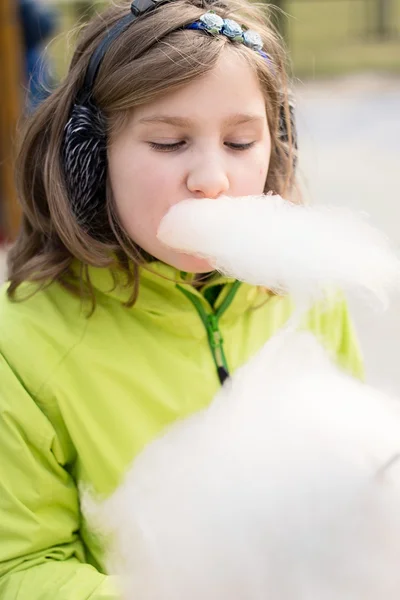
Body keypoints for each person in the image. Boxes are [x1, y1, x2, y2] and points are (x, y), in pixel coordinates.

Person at [0, 0, 363, 598]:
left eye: (242, 142)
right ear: (88, 157)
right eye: (169, 143)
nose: (211, 179)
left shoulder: (309, 291)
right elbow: (22, 567)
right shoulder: (22, 343)